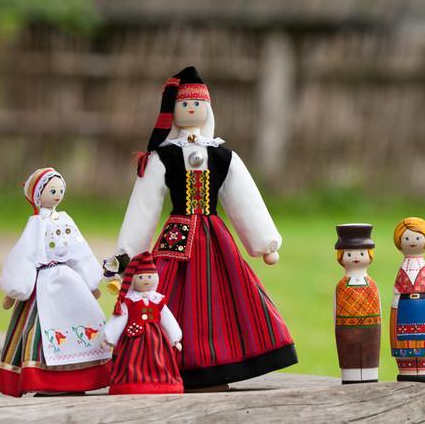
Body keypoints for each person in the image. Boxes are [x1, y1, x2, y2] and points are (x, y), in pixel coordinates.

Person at [107, 67, 296, 389]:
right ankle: (171, 361)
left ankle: (222, 363)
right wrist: (128, 254)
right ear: (173, 113)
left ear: (207, 109)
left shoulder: (224, 156)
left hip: (214, 237)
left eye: (197, 104)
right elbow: (144, 205)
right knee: (168, 291)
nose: (191, 110)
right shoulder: (161, 158)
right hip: (176, 238)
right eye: (184, 105)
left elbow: (243, 197)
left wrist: (265, 241)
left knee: (225, 294)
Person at [0, 168, 111, 396]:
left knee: (82, 319)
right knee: (38, 328)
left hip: (70, 281)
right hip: (44, 284)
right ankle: (47, 380)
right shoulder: (36, 223)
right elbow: (25, 254)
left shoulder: (66, 219)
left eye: (60, 190)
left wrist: (90, 282)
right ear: (37, 195)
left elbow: (79, 250)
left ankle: (82, 378)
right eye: (52, 190)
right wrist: (15, 288)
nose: (57, 195)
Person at [103, 251, 183, 395]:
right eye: (141, 277)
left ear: (155, 278)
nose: (145, 280)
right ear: (133, 279)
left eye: (149, 277)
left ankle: (161, 382)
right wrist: (109, 338)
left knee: (159, 358)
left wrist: (175, 337)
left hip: (157, 338)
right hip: (133, 337)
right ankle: (132, 383)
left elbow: (167, 318)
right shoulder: (129, 300)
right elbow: (120, 317)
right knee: (131, 360)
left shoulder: (157, 299)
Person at [389, 217, 425, 382]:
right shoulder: (404, 269)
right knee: (405, 338)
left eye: (417, 238)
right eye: (406, 238)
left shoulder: (424, 269)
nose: (412, 242)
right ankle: (407, 368)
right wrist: (396, 305)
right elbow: (398, 289)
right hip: (405, 308)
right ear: (399, 242)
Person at [333, 224, 381, 384]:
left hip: (372, 329)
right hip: (346, 330)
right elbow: (335, 312)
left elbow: (379, 308)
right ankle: (350, 376)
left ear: (369, 255)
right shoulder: (341, 285)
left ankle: (369, 374)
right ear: (341, 255)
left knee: (370, 353)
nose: (356, 257)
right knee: (349, 354)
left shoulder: (372, 284)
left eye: (361, 253)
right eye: (349, 253)